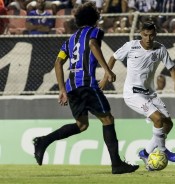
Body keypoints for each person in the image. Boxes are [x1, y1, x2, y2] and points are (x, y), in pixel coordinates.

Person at [32, 2, 139, 174]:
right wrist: (107, 69)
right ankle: (117, 164)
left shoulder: (69, 40)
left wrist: (61, 89)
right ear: (94, 18)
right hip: (87, 84)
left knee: (81, 125)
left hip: (72, 87)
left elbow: (58, 63)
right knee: (108, 120)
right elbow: (92, 45)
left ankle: (43, 141)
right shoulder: (94, 32)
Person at [99, 21, 175, 170]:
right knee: (158, 119)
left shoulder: (160, 49)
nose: (148, 39)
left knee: (168, 124)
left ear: (155, 35)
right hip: (133, 93)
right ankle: (164, 151)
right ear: (140, 34)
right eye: (145, 35)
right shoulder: (131, 46)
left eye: (151, 35)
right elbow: (113, 58)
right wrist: (106, 78)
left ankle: (145, 152)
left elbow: (172, 68)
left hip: (150, 93)